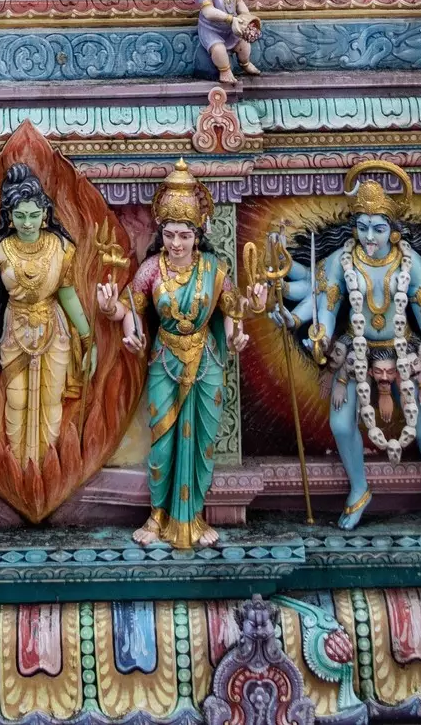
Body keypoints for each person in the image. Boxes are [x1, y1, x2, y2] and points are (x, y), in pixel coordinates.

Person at [269, 163, 421, 535]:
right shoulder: (342, 261)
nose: (369, 237)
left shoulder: (411, 264)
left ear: (393, 231)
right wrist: (306, 328)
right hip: (354, 352)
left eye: (377, 228)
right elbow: (321, 303)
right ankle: (360, 490)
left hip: (404, 350)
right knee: (341, 423)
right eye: (361, 227)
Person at [97, 162, 264, 550]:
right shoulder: (151, 270)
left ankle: (194, 515)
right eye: (170, 234)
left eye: (185, 235)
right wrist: (111, 312)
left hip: (205, 363)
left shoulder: (214, 269)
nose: (176, 243)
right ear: (162, 234)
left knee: (201, 443)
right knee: (163, 444)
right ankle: (157, 516)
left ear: (197, 235)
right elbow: (131, 309)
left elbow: (232, 310)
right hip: (165, 361)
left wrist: (243, 323)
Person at [0, 164, 96, 468]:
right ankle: (17, 466)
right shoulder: (3, 248)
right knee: (16, 400)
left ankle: (46, 467)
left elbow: (68, 295)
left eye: (33, 215)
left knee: (50, 400)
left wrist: (87, 337)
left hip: (53, 330)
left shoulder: (61, 248)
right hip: (14, 328)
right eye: (19, 216)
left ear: (45, 216)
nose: (27, 223)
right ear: (9, 217)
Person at [192, 0, 260, 85]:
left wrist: (246, 18)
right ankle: (225, 71)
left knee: (244, 45)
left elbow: (239, 3)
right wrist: (230, 19)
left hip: (232, 28)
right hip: (212, 30)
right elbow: (208, 12)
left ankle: (245, 63)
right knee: (219, 49)